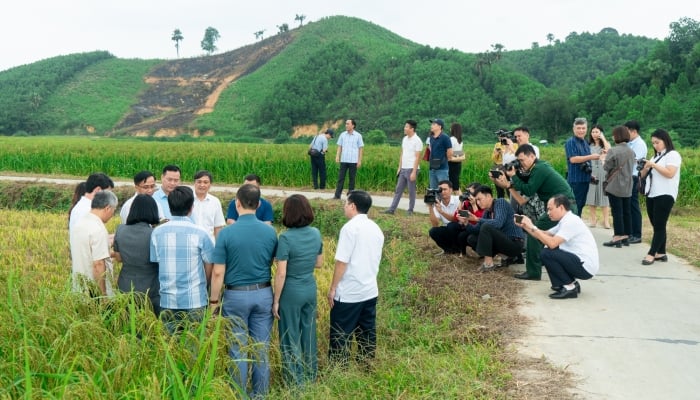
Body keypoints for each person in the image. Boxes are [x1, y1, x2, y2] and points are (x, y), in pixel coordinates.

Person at [210, 183, 278, 398]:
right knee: (261, 348)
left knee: (237, 348)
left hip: (235, 296)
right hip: (264, 293)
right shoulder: (270, 232)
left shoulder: (227, 233)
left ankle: (238, 394)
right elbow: (274, 261)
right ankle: (261, 395)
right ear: (258, 205)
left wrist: (213, 302)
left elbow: (218, 272)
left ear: (237, 203)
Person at [493, 144, 576, 280]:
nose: (520, 163)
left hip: (561, 208)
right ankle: (552, 268)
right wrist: (509, 176)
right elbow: (526, 181)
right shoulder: (538, 167)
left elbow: (529, 189)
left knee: (533, 232)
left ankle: (533, 272)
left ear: (532, 156)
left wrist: (513, 177)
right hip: (563, 207)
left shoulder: (539, 169)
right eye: (518, 161)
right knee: (552, 238)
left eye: (522, 160)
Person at [327, 190, 384, 366]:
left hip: (349, 293)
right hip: (369, 290)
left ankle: (339, 369)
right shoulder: (375, 228)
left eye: (346, 203)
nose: (344, 207)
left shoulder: (350, 228)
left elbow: (342, 262)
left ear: (353, 206)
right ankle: (366, 365)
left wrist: (333, 288)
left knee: (340, 334)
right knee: (367, 333)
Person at [272, 194, 323, 387]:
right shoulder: (316, 233)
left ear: (288, 213)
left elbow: (281, 273)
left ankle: (295, 381)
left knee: (289, 335)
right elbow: (319, 263)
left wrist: (276, 300)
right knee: (309, 333)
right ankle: (311, 375)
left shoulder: (285, 237)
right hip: (309, 287)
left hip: (291, 290)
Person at [150, 186, 214, 333]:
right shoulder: (201, 233)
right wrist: (206, 285)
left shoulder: (157, 233)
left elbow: (156, 262)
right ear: (191, 207)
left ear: (169, 206)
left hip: (168, 298)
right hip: (196, 298)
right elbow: (209, 263)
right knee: (194, 348)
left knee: (169, 347)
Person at [516, 195, 599, 299]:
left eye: (550, 209)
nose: (548, 213)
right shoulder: (566, 220)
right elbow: (544, 234)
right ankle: (571, 283)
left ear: (561, 207)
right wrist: (526, 226)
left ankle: (569, 287)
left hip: (585, 267)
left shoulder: (570, 221)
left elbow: (552, 243)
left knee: (547, 253)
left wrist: (532, 226)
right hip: (580, 262)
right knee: (548, 250)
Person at [638, 129, 682, 265]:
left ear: (665, 140)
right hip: (652, 194)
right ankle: (661, 253)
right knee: (656, 224)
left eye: (657, 142)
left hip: (666, 194)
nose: (655, 145)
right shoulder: (655, 156)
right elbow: (643, 175)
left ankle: (651, 253)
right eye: (653, 143)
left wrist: (653, 165)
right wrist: (645, 166)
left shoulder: (673, 155)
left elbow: (670, 173)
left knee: (659, 225)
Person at [113, 194, 161, 316]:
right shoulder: (155, 234)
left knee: (126, 325)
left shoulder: (121, 230)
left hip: (125, 285)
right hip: (150, 288)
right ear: (153, 211)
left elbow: (118, 258)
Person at [459, 185, 525, 271]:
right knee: (472, 238)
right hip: (504, 242)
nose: (478, 203)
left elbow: (498, 223)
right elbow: (476, 230)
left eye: (479, 199)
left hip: (515, 243)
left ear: (489, 196)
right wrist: (466, 223)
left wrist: (477, 219)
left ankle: (488, 264)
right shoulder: (487, 212)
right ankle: (506, 257)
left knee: (486, 226)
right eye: (476, 200)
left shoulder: (500, 202)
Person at [69, 190, 118, 297]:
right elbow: (98, 264)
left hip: (78, 288)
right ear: (107, 208)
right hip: (93, 292)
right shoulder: (98, 229)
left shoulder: (79, 224)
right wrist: (103, 295)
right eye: (113, 211)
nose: (112, 215)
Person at [602, 126, 635, 248]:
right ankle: (626, 235)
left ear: (616, 136)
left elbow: (606, 167)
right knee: (627, 211)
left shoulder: (613, 151)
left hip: (615, 185)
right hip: (628, 184)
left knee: (617, 211)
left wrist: (603, 159)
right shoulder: (631, 151)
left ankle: (617, 236)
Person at [383, 119, 423, 215]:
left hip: (411, 168)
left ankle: (410, 210)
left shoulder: (417, 141)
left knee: (411, 191)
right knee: (398, 189)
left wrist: (414, 172)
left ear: (412, 129)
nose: (404, 128)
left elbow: (418, 157)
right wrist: (399, 167)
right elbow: (402, 153)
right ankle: (392, 209)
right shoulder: (404, 139)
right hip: (403, 168)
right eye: (405, 126)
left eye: (406, 127)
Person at [565, 117, 600, 216]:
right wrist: (591, 156)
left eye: (583, 128)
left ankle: (576, 227)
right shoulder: (570, 142)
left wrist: (591, 175)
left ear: (586, 129)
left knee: (580, 205)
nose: (581, 130)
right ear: (574, 129)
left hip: (585, 179)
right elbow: (573, 159)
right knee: (573, 207)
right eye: (578, 128)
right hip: (576, 180)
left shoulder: (585, 142)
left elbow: (586, 162)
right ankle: (571, 229)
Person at [625, 120, 648, 244]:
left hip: (634, 176)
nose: (625, 134)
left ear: (634, 131)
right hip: (627, 176)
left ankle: (637, 234)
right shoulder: (629, 143)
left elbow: (637, 160)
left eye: (627, 131)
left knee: (633, 206)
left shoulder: (640, 144)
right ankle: (630, 233)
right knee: (628, 205)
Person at [585, 125, 611, 228]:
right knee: (591, 196)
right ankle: (593, 219)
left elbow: (609, 151)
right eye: (593, 132)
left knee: (605, 196)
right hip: (592, 172)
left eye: (597, 132)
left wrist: (603, 138)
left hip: (603, 171)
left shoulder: (605, 144)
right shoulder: (588, 145)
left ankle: (606, 220)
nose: (595, 134)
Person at [427, 180, 461, 255]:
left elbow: (456, 219)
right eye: (440, 190)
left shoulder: (458, 200)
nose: (442, 192)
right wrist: (430, 207)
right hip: (448, 228)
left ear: (451, 190)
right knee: (433, 231)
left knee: (452, 226)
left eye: (445, 189)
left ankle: (458, 249)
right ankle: (447, 250)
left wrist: (441, 211)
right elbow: (435, 224)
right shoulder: (437, 202)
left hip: (460, 228)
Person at [191, 170, 226, 242]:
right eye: (199, 182)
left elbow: (218, 227)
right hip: (190, 244)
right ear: (194, 183)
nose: (202, 185)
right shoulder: (187, 199)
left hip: (209, 245)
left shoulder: (215, 201)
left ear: (210, 184)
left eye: (205, 182)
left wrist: (219, 248)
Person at [333, 119, 364, 200]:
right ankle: (337, 195)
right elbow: (339, 146)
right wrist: (337, 156)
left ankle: (350, 196)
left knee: (352, 179)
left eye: (348, 124)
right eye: (346, 124)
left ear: (353, 125)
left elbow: (361, 149)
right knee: (341, 178)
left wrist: (359, 160)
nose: (346, 125)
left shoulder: (358, 136)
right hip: (344, 160)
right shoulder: (342, 135)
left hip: (353, 161)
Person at [426, 118, 453, 189]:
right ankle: (436, 200)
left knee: (443, 190)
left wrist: (444, 160)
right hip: (432, 168)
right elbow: (431, 150)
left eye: (434, 124)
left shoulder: (445, 138)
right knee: (433, 190)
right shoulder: (431, 137)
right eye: (431, 124)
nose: (431, 125)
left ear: (440, 127)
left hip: (442, 169)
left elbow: (450, 152)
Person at [447, 123, 466, 194]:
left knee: (454, 186)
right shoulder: (460, 140)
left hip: (451, 163)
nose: (450, 129)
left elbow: (449, 151)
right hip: (458, 163)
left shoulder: (451, 139)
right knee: (455, 183)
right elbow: (459, 152)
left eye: (451, 128)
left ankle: (463, 201)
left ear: (453, 129)